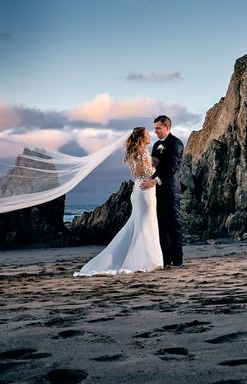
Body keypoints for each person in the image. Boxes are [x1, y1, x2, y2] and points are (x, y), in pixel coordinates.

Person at [73, 127, 163, 276]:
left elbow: (137, 174)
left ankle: (145, 259)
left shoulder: (133, 153)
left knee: (138, 225)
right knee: (146, 225)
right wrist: (156, 164)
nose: (150, 135)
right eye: (147, 133)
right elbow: (147, 172)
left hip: (138, 190)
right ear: (141, 138)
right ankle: (147, 261)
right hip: (145, 192)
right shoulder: (143, 152)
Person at [140, 115, 184, 267]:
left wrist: (155, 180)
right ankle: (165, 259)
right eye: (154, 129)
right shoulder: (157, 144)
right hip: (156, 191)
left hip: (171, 190)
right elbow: (154, 164)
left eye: (158, 128)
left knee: (174, 224)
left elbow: (173, 167)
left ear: (167, 127)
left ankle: (178, 260)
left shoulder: (176, 143)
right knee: (161, 225)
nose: (156, 132)